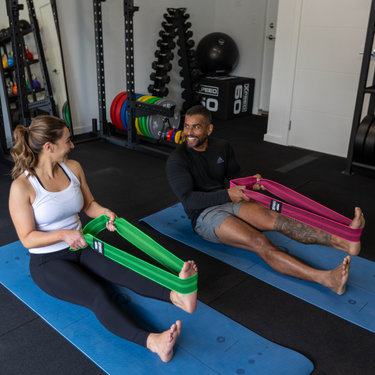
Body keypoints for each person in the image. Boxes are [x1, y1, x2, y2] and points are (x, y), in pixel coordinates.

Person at [8, 115, 198, 363]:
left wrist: (105, 213)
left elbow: (89, 204)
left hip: (82, 244)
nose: (72, 145)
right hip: (48, 261)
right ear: (49, 146)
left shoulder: (72, 168)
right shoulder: (22, 187)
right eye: (68, 141)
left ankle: (178, 297)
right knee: (98, 295)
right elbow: (27, 239)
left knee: (123, 270)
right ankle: (154, 342)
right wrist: (64, 234)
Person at [166, 105, 365, 295]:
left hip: (228, 200)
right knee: (259, 241)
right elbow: (188, 200)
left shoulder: (222, 147)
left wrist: (252, 182)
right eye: (186, 126)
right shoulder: (178, 159)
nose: (189, 132)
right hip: (203, 214)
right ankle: (328, 280)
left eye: (196, 127)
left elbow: (235, 174)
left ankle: (345, 242)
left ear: (209, 129)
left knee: (276, 218)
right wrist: (228, 194)